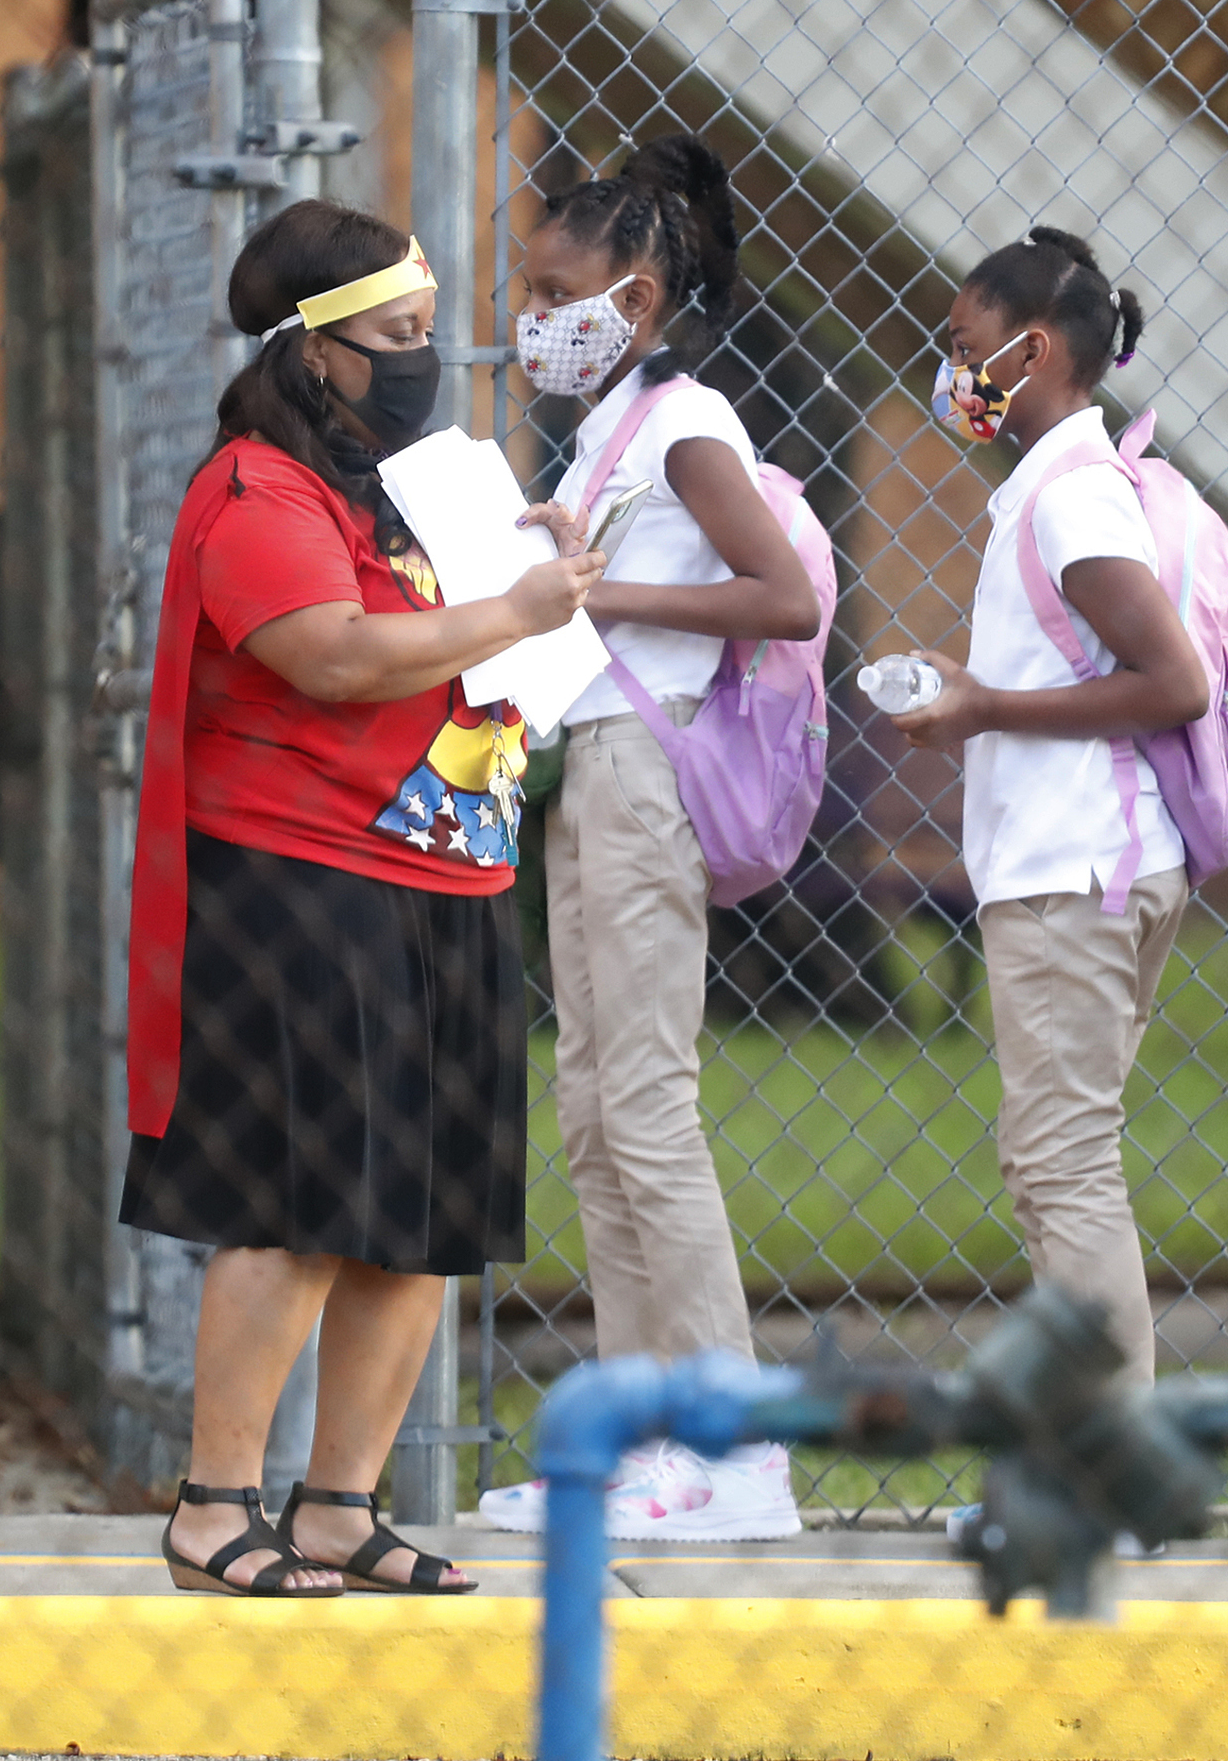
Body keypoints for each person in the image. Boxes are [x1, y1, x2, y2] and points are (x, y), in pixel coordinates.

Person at [121, 199, 600, 1596]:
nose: (421, 358)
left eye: (428, 330)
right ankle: (215, 1505)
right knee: (301, 1198)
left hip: (445, 865)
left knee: (422, 1209)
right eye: (394, 335)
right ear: (313, 346)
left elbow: (458, 624)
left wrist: (527, 564)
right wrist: (513, 613)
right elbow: (329, 652)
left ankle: (339, 1503)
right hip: (301, 881)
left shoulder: (405, 487)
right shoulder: (256, 490)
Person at [474, 136, 820, 1544]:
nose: (528, 312)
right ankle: (640, 1432)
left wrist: (611, 605)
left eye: (555, 288)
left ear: (634, 298)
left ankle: (734, 1448)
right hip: (594, 769)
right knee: (597, 1111)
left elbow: (785, 597)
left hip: (644, 778)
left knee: (651, 1108)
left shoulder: (689, 422)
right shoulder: (615, 427)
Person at [887, 229, 1208, 1400]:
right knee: (1053, 1166)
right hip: (1079, 861)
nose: (951, 370)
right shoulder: (1057, 485)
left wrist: (984, 707)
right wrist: (980, 700)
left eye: (964, 347)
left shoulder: (1071, 497)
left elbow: (1177, 683)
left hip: (1077, 868)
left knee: (1063, 1168)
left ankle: (1105, 1455)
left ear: (1032, 352)